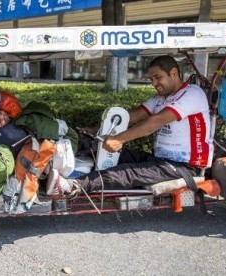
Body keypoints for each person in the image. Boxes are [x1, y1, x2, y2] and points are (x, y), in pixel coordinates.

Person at [50, 55, 213, 194]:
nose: (154, 83)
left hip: (185, 167)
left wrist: (119, 139)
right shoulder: (160, 98)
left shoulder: (192, 94)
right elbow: (131, 117)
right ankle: (60, 163)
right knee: (106, 152)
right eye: (151, 79)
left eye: (158, 77)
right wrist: (95, 131)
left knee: (127, 173)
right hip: (160, 160)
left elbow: (154, 122)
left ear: (174, 73)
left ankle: (71, 186)